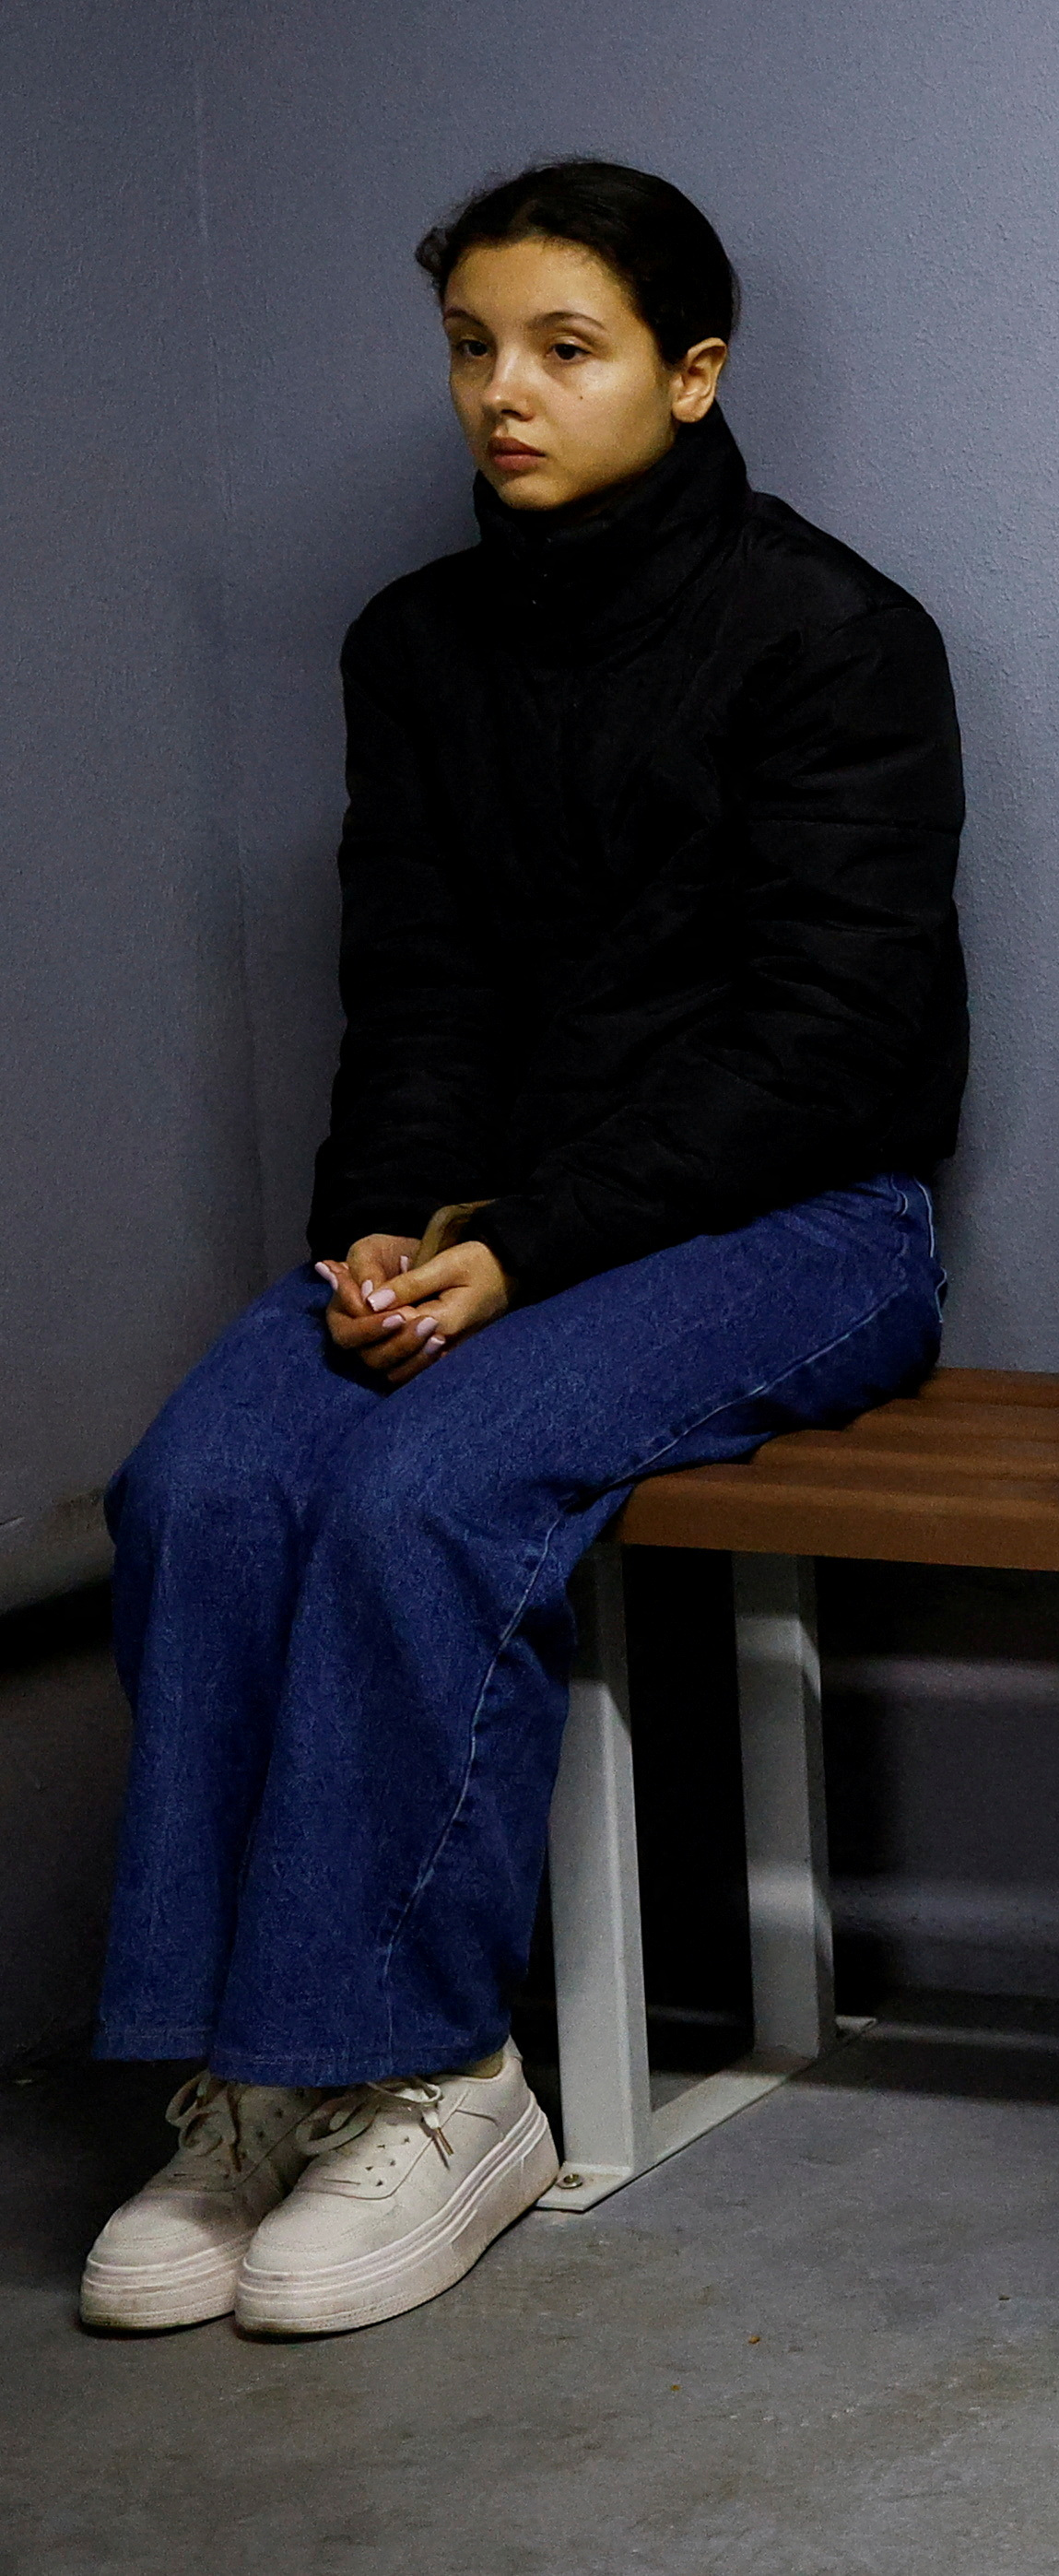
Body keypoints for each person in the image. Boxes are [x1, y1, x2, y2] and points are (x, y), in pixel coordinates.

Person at [83, 162, 961, 2342]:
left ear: (690, 369)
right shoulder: (419, 645)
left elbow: (838, 1051)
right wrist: (380, 1227)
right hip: (494, 1234)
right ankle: (255, 2083)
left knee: (421, 1481)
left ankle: (436, 2072)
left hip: (801, 1224)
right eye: (473, 344)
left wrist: (528, 1245)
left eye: (563, 347)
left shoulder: (836, 632)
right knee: (198, 1476)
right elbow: (422, 994)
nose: (504, 390)